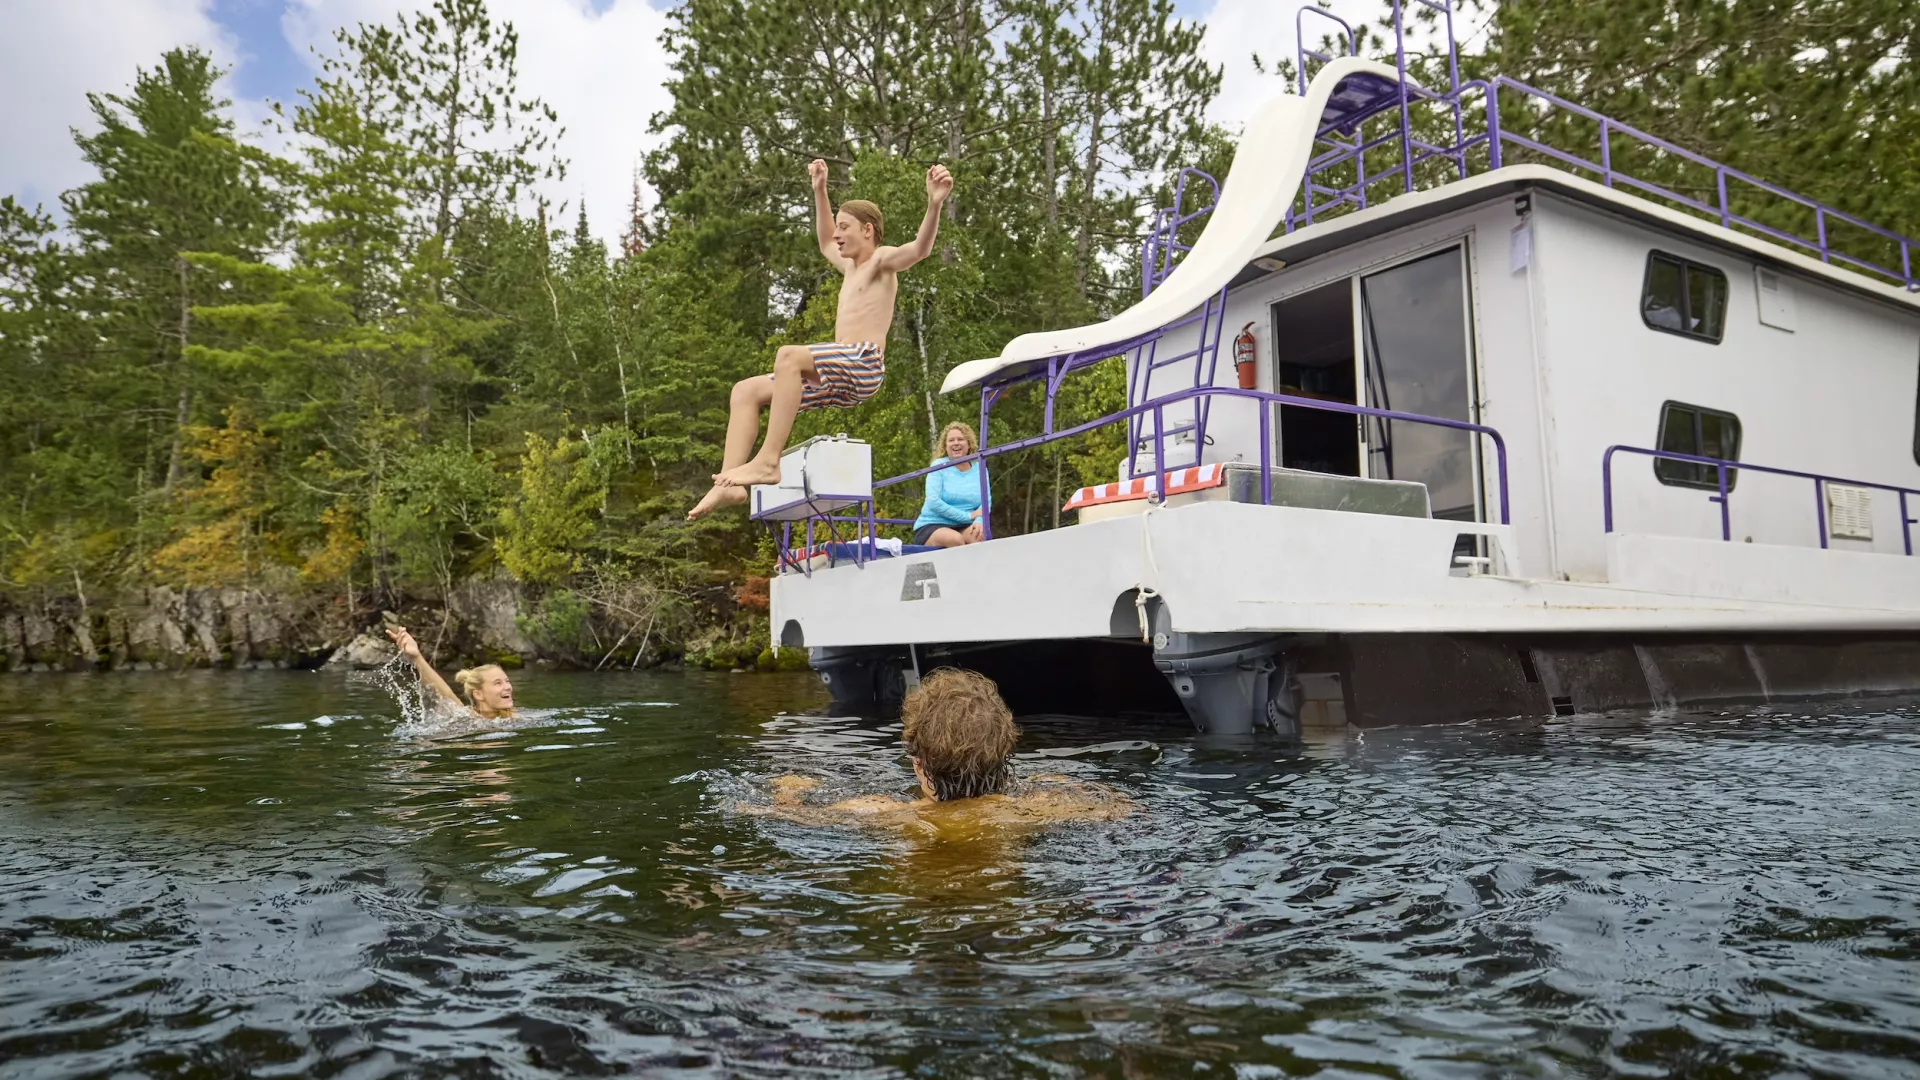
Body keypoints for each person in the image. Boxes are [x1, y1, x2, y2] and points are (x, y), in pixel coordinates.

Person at [688, 158, 954, 520]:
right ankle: (729, 487)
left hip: (862, 362)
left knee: (788, 357)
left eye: (845, 227)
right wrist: (819, 190)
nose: (838, 234)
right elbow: (824, 238)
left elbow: (919, 250)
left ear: (869, 230)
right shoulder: (848, 267)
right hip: (838, 375)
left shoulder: (881, 261)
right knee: (745, 392)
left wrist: (934, 202)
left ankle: (768, 461)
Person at [747, 669, 1127, 832]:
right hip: (999, 909)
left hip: (926, 911)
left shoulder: (884, 813)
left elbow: (778, 815)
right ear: (1005, 752)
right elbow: (1120, 810)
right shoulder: (1044, 807)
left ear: (918, 761)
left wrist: (788, 791)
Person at [384, 626, 516, 720]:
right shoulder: (467, 718)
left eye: (507, 681)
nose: (508, 687)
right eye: (498, 683)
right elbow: (444, 694)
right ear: (478, 694)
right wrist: (416, 657)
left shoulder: (516, 718)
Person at [912, 421, 989, 547]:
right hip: (933, 524)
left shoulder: (980, 468)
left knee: (979, 536)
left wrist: (979, 520)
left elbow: (986, 501)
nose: (956, 443)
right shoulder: (938, 466)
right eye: (951, 440)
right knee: (955, 539)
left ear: (969, 444)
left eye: (960, 439)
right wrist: (968, 516)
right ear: (946, 446)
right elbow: (933, 501)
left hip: (964, 525)